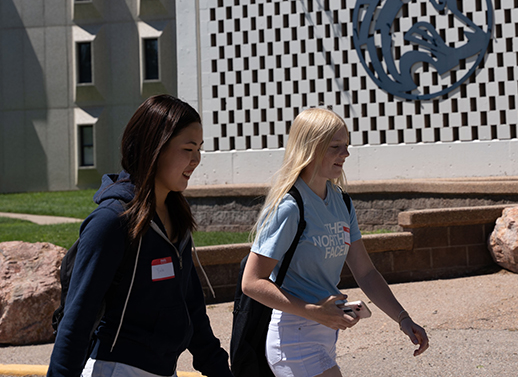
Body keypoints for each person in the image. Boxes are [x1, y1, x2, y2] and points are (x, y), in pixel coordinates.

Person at [47, 95, 233, 377]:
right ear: (154, 149)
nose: (196, 159)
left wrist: (220, 370)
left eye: (199, 149)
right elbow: (77, 321)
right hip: (117, 368)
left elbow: (192, 308)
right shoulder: (111, 221)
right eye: (188, 148)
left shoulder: (175, 217)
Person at [241, 107, 429, 377]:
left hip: (326, 334)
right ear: (310, 148)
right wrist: (313, 311)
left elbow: (365, 272)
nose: (346, 153)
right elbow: (251, 282)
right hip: (294, 337)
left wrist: (402, 318)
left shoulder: (342, 201)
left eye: (347, 145)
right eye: (336, 146)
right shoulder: (289, 206)